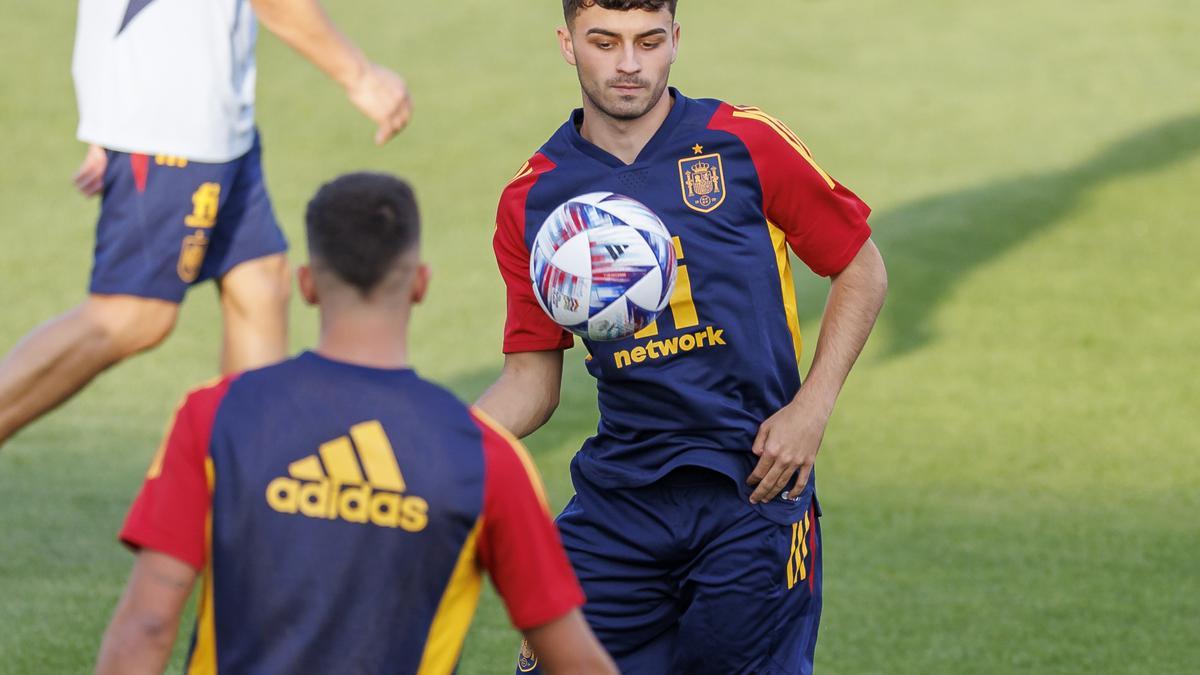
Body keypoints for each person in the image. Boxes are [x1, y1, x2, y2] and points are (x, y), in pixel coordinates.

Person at [478, 1, 888, 673]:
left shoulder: (745, 143)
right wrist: (434, 444)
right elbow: (531, 381)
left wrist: (811, 409)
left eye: (649, 41)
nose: (630, 64)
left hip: (751, 486)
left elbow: (860, 266)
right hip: (621, 495)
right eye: (605, 42)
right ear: (567, 43)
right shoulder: (535, 199)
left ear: (677, 40)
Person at [93, 173, 617, 675]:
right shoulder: (485, 457)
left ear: (307, 285)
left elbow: (148, 623)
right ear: (419, 284)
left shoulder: (213, 416)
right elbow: (572, 657)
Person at [0, 0, 413, 448]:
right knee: (133, 314)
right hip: (173, 112)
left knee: (259, 283)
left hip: (208, 109)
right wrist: (360, 76)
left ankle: (249, 497)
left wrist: (105, 105)